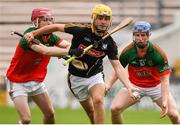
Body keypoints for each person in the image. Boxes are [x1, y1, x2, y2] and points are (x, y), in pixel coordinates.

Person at [24, 4, 138, 124]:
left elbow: (118, 67)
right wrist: (34, 33)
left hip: (95, 76)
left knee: (98, 100)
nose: (103, 22)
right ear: (93, 18)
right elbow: (56, 27)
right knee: (90, 112)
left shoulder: (109, 43)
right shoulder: (81, 30)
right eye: (100, 18)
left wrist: (129, 86)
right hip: (76, 78)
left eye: (106, 19)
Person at [106, 21, 180, 124]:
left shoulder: (158, 53)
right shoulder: (127, 51)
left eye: (143, 35)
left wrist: (164, 102)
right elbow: (118, 69)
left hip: (156, 86)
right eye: (137, 35)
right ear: (133, 36)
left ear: (149, 35)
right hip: (134, 86)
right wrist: (108, 85)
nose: (140, 39)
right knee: (114, 109)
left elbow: (165, 80)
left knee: (174, 115)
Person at [6, 8, 71, 124]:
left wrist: (78, 49)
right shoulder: (28, 36)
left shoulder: (51, 37)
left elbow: (67, 45)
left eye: (51, 20)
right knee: (26, 119)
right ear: (36, 22)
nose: (49, 23)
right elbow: (44, 51)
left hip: (36, 81)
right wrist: (65, 52)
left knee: (50, 114)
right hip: (17, 81)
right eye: (45, 20)